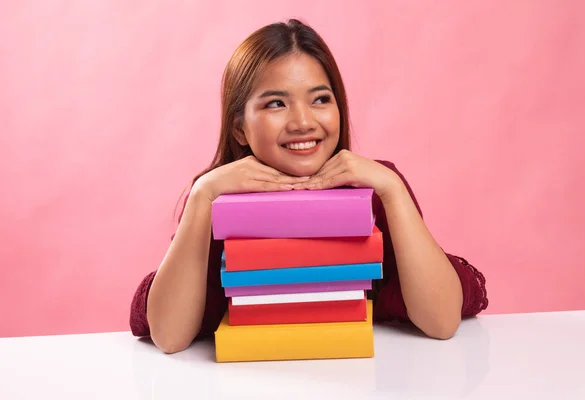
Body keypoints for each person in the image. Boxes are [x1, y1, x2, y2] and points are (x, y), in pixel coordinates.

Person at [129, 19, 488, 354]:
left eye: (320, 99)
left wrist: (393, 191)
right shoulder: (215, 197)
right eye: (276, 103)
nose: (303, 122)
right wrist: (201, 195)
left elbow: (442, 321)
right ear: (239, 128)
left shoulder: (378, 188)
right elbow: (170, 336)